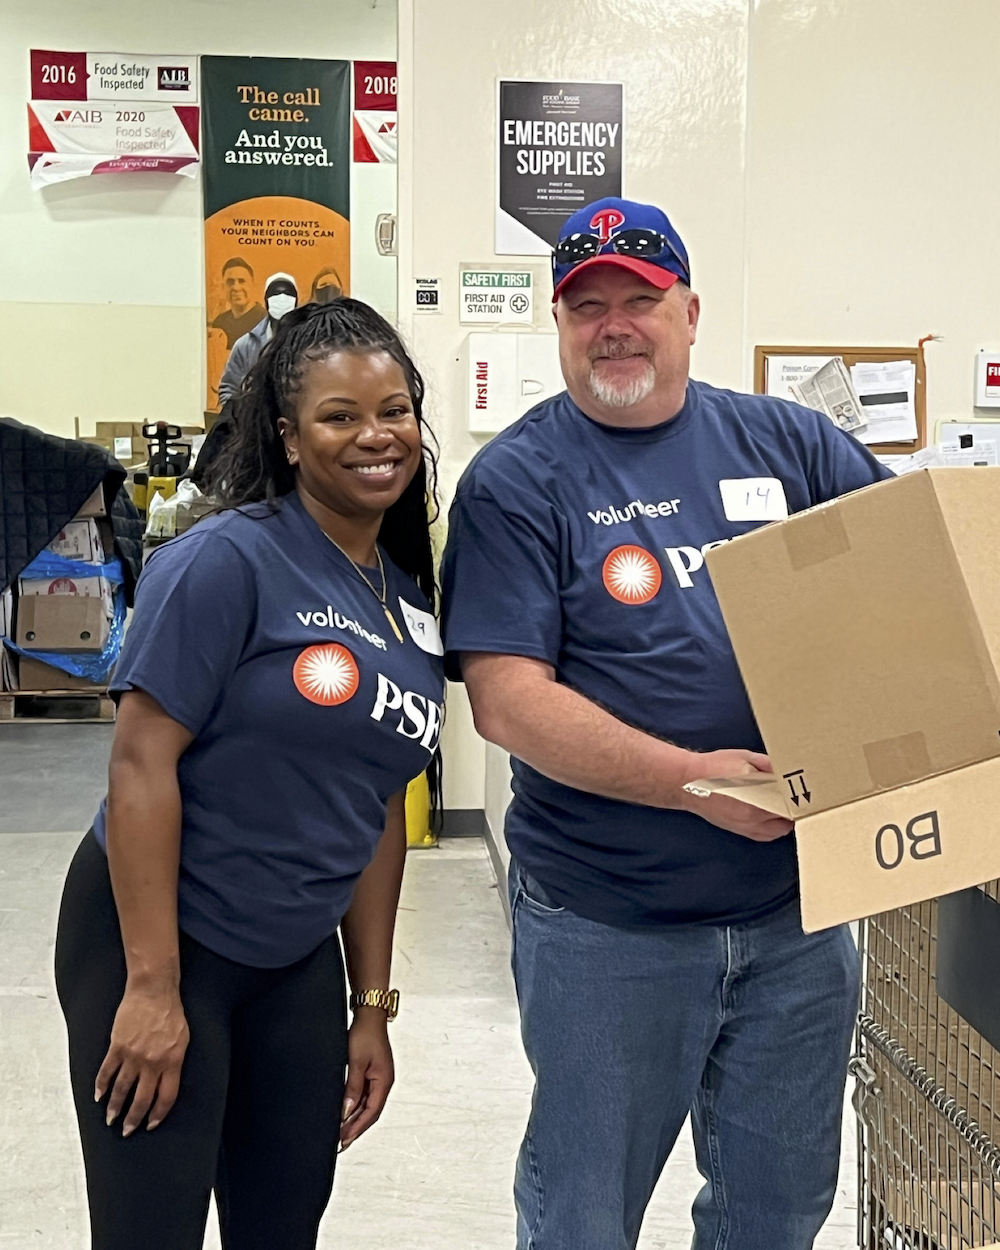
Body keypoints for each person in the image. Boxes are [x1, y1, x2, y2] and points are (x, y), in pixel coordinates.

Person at [441, 197, 894, 1250]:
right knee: (583, 1214)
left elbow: (903, 589)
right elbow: (508, 698)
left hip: (796, 920)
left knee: (775, 1211)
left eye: (637, 301)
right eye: (585, 304)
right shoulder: (517, 480)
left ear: (690, 311)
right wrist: (693, 779)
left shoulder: (793, 446)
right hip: (608, 923)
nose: (612, 325)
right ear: (558, 326)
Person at [55, 298, 445, 1250]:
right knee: (150, 1231)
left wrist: (372, 1003)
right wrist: (151, 987)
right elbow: (141, 764)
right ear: (288, 433)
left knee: (283, 1225)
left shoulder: (406, 600)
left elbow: (378, 800)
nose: (374, 436)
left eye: (394, 410)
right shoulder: (228, 561)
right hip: (159, 940)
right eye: (340, 416)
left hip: (294, 960)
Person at [218, 272, 299, 405]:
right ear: (265, 300)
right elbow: (228, 390)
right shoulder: (246, 346)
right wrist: (243, 416)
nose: (281, 298)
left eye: (288, 293)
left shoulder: (311, 344)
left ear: (296, 299)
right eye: (275, 294)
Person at [210, 257, 266, 349]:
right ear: (223, 287)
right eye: (230, 282)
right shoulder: (219, 323)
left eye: (242, 281)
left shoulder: (264, 321)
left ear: (253, 285)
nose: (236, 288)